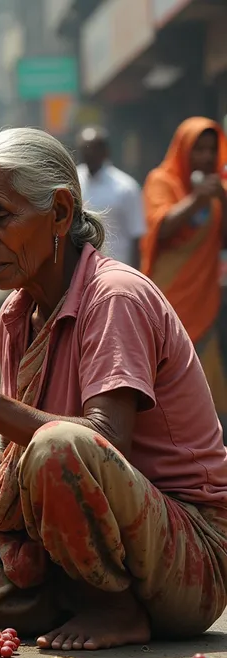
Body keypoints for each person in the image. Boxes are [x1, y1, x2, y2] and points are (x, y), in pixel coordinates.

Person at [0, 127, 227, 651]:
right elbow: (31, 477)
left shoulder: (114, 297)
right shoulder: (17, 314)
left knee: (60, 444)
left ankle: (112, 607)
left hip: (184, 556)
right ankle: (68, 598)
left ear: (60, 213)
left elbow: (96, 445)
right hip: (81, 546)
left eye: (1, 216)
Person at [141, 117, 227, 434]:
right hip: (168, 302)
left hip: (204, 304)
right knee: (166, 379)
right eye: (198, 149)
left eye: (211, 150)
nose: (205, 157)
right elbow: (161, 227)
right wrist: (198, 199)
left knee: (208, 388)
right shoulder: (162, 181)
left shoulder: (218, 188)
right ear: (183, 150)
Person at [77, 126, 145, 268]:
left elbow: (136, 235)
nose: (89, 153)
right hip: (80, 268)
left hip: (116, 267)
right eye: (85, 148)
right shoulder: (73, 181)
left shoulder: (126, 187)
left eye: (93, 148)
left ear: (105, 152)